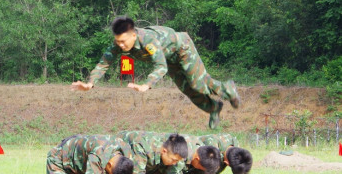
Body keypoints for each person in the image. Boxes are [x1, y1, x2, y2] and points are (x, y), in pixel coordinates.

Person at [71, 16, 241, 129]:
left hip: (182, 48)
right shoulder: (119, 44)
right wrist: (90, 83)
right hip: (169, 58)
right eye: (117, 42)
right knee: (187, 90)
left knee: (198, 83)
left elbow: (161, 66)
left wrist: (147, 84)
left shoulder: (148, 40)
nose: (120, 46)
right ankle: (214, 107)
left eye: (123, 41)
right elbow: (104, 63)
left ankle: (228, 89)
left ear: (133, 35)